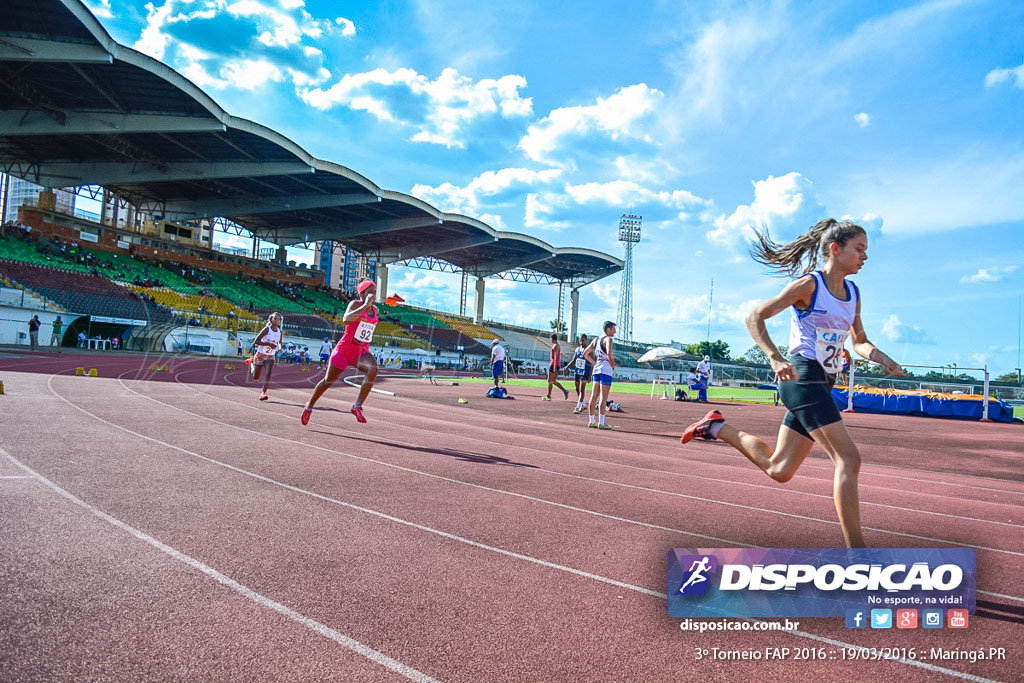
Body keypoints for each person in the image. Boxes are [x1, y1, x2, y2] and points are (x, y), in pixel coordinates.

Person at [679, 219, 903, 548]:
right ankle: (858, 557)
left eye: (866, 251)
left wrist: (881, 357)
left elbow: (860, 340)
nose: (864, 257)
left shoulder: (853, 294)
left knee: (779, 468)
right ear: (835, 249)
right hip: (801, 376)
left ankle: (717, 428)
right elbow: (755, 316)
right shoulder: (810, 286)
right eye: (859, 249)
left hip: (821, 383)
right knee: (848, 459)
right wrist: (774, 356)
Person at [301, 279, 380, 425]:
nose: (373, 295)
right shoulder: (355, 304)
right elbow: (346, 320)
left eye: (375, 292)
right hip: (343, 351)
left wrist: (369, 307)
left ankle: (357, 406)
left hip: (361, 352)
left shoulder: (376, 310)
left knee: (373, 369)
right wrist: (364, 306)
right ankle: (309, 406)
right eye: (370, 292)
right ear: (362, 293)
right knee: (327, 381)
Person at [583, 321, 617, 430]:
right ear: (608, 329)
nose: (615, 331)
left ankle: (591, 421)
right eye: (613, 329)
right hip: (606, 369)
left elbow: (585, 354)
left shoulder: (595, 340)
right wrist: (612, 362)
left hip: (597, 370)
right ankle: (601, 422)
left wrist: (594, 363)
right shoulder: (608, 339)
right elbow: (609, 352)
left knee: (593, 396)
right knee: (603, 397)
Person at [245, 312, 283, 401]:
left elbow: (280, 342)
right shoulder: (267, 329)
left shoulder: (280, 332)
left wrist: (280, 348)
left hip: (270, 356)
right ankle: (251, 362)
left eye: (279, 319)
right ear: (271, 320)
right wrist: (268, 344)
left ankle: (263, 393)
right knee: (255, 377)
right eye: (275, 318)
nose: (277, 320)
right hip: (261, 355)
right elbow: (256, 341)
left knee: (268, 372)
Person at [566, 334, 593, 414]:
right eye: (580, 340)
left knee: (582, 390)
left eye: (583, 340)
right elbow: (574, 360)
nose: (581, 342)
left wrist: (590, 375)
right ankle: (583, 404)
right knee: (577, 388)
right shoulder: (577, 349)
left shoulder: (589, 350)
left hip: (585, 372)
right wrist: (566, 367)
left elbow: (592, 363)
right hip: (577, 371)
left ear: (586, 340)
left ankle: (577, 407)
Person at [543, 333, 570, 401]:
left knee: (550, 380)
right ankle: (564, 391)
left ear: (552, 338)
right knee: (553, 381)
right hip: (555, 364)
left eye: (550, 338)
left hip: (553, 364)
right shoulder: (557, 345)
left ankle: (549, 396)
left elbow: (556, 357)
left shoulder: (556, 346)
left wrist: (554, 367)